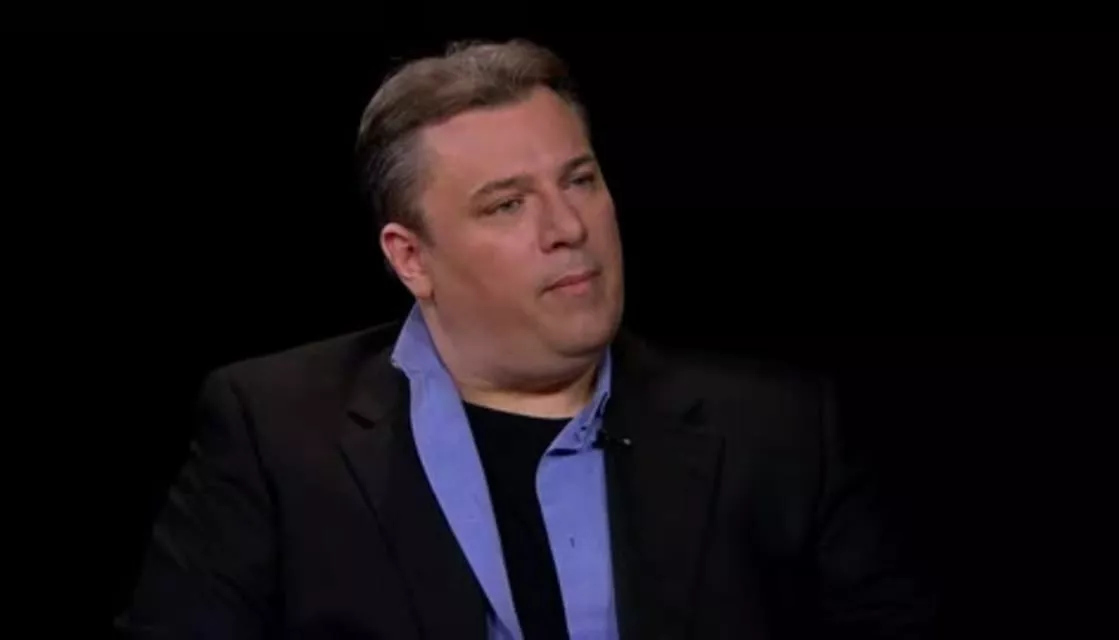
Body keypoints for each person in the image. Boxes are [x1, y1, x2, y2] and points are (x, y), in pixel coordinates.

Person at [117, 39, 940, 639]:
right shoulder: (275, 431)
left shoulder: (780, 431)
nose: (567, 227)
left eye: (580, 181)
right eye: (507, 204)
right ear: (411, 259)